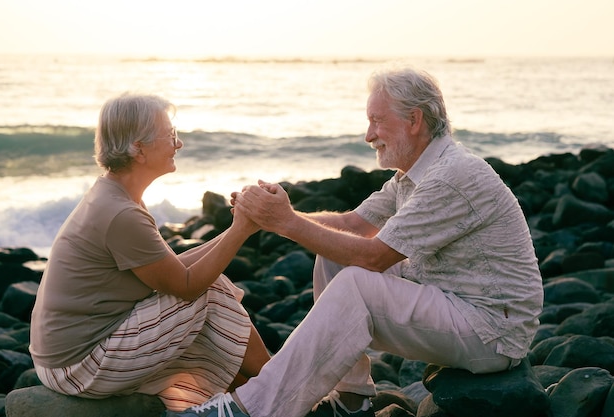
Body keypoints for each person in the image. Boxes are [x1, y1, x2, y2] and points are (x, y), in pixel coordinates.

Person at [165, 66, 544, 417]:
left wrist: (284, 221)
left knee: (358, 284)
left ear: (414, 120)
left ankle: (250, 409)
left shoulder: (450, 176)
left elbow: (375, 257)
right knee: (334, 257)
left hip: (492, 330)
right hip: (458, 303)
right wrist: (272, 217)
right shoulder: (412, 175)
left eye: (377, 121)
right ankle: (352, 399)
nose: (369, 135)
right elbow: (351, 224)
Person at [29, 93, 270, 412]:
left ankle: (260, 394)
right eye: (170, 135)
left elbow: (171, 271)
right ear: (137, 148)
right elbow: (186, 286)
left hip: (69, 353)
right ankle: (280, 382)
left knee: (210, 287)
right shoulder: (120, 213)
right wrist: (240, 229)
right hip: (77, 366)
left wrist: (241, 227)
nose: (179, 143)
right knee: (209, 291)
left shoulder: (115, 195)